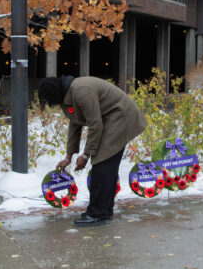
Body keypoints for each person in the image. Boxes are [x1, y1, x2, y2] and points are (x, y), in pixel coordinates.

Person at [38, 75, 147, 227]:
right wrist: (69, 157)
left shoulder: (81, 91)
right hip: (110, 118)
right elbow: (75, 124)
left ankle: (98, 213)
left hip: (120, 116)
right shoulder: (68, 96)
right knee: (105, 166)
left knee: (102, 164)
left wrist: (85, 155)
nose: (54, 105)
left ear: (54, 94)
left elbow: (95, 125)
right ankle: (104, 211)